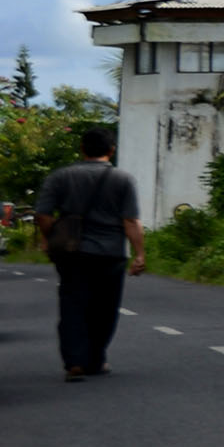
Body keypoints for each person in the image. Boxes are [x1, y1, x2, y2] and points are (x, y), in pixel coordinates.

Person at [39, 125, 143, 380]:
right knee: (105, 309)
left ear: (82, 149)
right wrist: (139, 253)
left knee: (73, 305)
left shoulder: (60, 177)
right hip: (111, 253)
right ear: (112, 150)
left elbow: (43, 214)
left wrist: (50, 237)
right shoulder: (123, 179)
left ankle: (74, 362)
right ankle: (95, 359)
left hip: (72, 252)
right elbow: (130, 221)